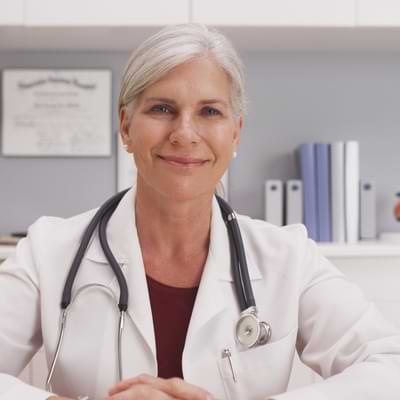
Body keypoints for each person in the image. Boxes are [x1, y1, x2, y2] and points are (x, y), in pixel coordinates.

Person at [1, 23, 400, 400]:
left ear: (236, 131)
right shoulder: (49, 251)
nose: (185, 134)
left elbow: (389, 366)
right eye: (161, 109)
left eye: (210, 112)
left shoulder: (288, 257)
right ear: (125, 126)